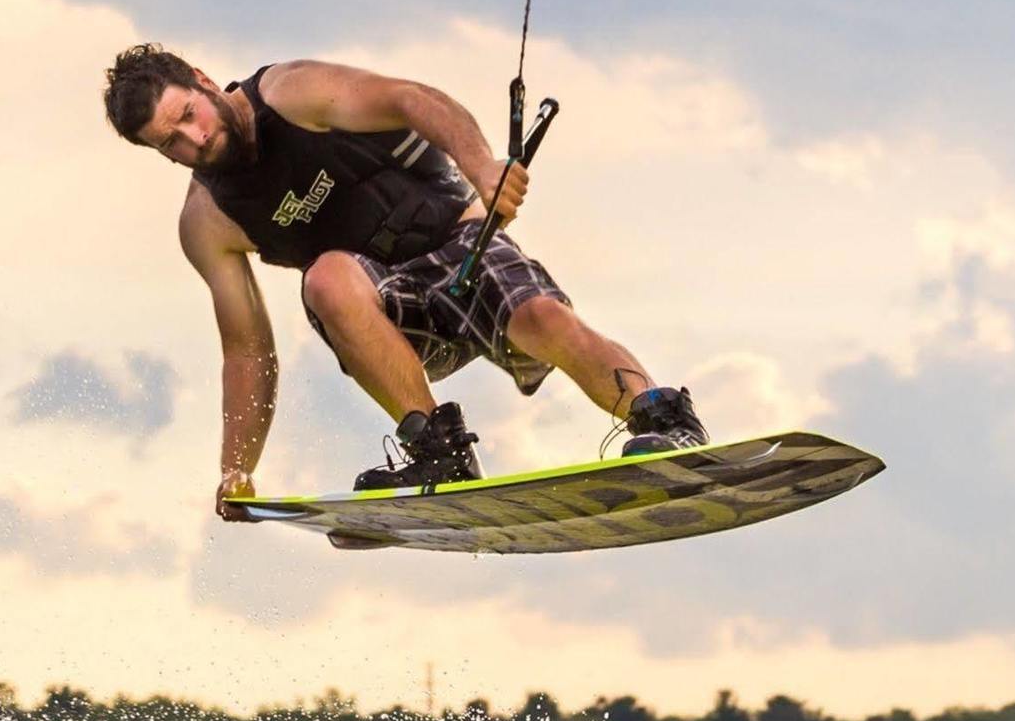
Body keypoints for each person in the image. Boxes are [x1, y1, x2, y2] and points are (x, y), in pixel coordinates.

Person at [101, 44, 710, 517]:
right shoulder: (207, 222)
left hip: (459, 245)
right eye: (169, 144)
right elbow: (248, 351)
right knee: (327, 280)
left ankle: (666, 425)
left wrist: (482, 167)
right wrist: (235, 469)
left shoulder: (292, 92)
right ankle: (439, 452)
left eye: (188, 115)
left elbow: (413, 98)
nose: (195, 139)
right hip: (395, 315)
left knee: (543, 320)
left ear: (204, 82)